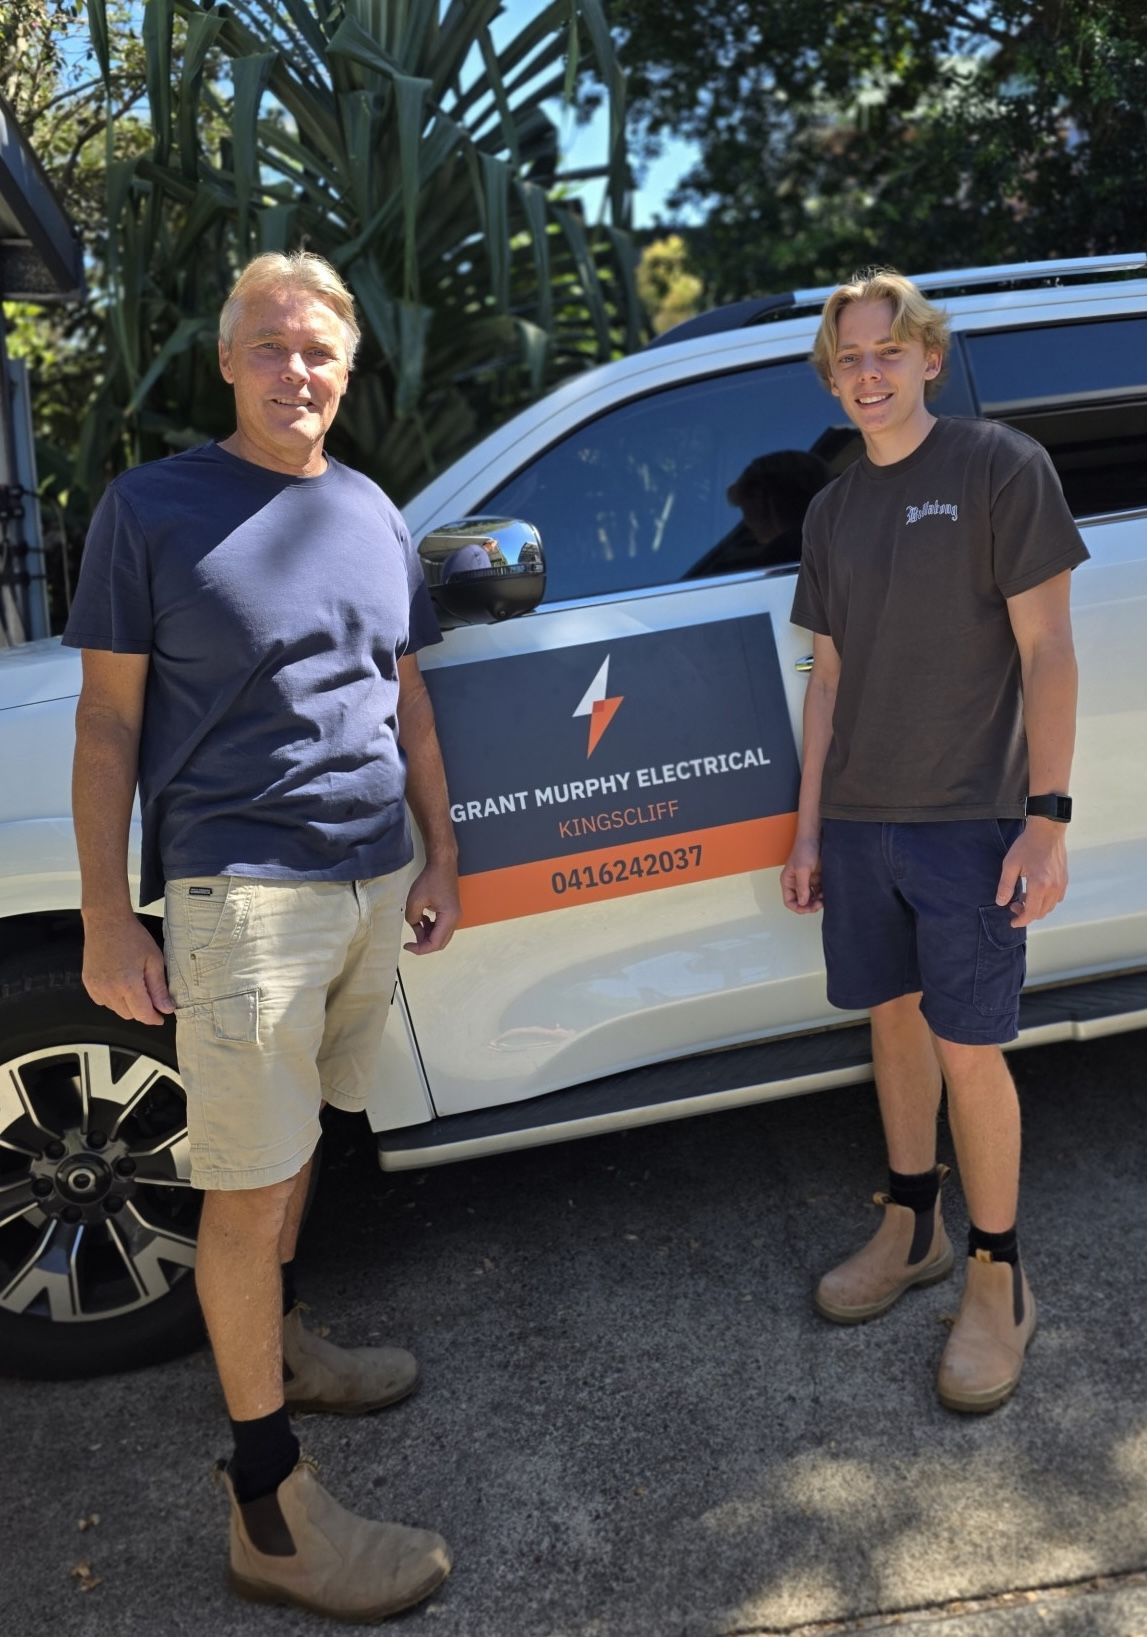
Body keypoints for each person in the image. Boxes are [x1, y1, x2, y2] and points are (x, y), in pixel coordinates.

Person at [64, 250, 460, 1616]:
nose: (301, 370)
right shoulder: (153, 508)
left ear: (349, 368)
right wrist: (109, 915)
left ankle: (277, 1346)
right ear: (229, 361)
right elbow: (108, 721)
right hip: (240, 898)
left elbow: (402, 697)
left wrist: (440, 847)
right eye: (274, 346)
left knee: (298, 1155)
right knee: (244, 1186)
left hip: (365, 883)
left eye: (322, 350)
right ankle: (269, 1509)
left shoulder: (365, 508)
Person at [781, 267, 1088, 1414]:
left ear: (926, 357)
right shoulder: (833, 509)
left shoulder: (999, 468)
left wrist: (1045, 820)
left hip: (970, 817)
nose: (868, 375)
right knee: (894, 1026)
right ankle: (912, 1222)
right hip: (861, 820)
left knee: (970, 1043)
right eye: (848, 360)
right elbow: (830, 679)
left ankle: (999, 1275)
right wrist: (811, 826)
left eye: (885, 353)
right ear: (834, 376)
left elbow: (1049, 650)